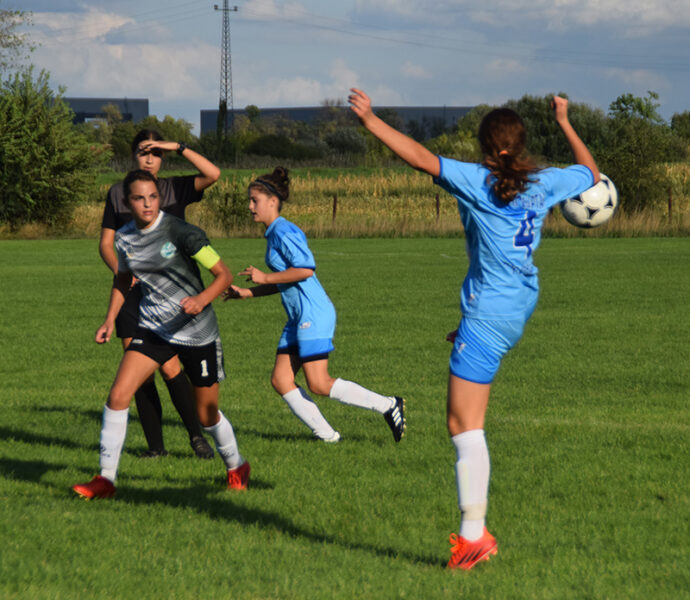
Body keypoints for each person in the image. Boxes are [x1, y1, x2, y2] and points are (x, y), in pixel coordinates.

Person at [349, 88, 599, 570]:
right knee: (466, 419)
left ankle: (473, 536)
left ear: (486, 147)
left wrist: (371, 122)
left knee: (464, 426)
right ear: (521, 145)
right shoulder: (543, 182)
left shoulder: (480, 180)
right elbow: (591, 172)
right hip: (516, 306)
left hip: (489, 317)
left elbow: (421, 159)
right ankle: (473, 534)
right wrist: (565, 121)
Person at [73, 170, 250, 499]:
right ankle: (106, 480)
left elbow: (223, 275)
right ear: (127, 203)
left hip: (197, 331)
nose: (147, 204)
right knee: (117, 396)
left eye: (153, 197)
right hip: (154, 327)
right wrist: (110, 319)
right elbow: (124, 280)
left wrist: (201, 299)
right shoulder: (124, 239)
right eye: (139, 198)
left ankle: (236, 465)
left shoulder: (181, 232)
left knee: (207, 416)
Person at [224, 167, 406, 443]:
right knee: (281, 380)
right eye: (249, 200)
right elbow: (285, 280)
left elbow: (306, 269)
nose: (250, 207)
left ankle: (388, 405)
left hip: (313, 313)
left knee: (319, 383)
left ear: (272, 201)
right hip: (297, 318)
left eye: (254, 200)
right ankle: (328, 437)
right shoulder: (273, 233)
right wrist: (247, 293)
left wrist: (265, 275)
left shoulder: (284, 231)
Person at [99, 129, 220, 459]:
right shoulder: (117, 194)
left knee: (169, 368)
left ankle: (196, 436)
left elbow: (213, 174)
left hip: (168, 295)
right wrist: (123, 271)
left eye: (156, 153)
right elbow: (106, 245)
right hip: (132, 293)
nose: (150, 158)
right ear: (132, 156)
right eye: (143, 151)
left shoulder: (174, 188)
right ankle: (156, 448)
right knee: (137, 373)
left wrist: (178, 147)